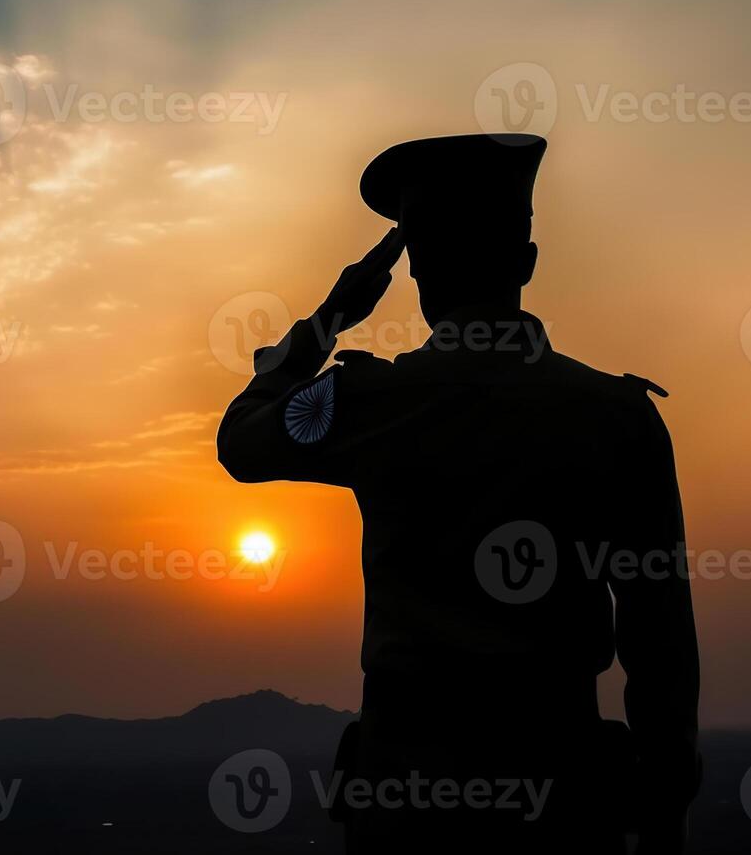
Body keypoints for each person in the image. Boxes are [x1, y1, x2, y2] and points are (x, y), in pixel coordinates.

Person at [216, 134, 700, 853]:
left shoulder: (370, 402)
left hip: (409, 798)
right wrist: (660, 813)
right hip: (559, 794)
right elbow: (657, 639)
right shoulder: (617, 415)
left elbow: (242, 443)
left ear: (414, 270)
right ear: (526, 262)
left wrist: (325, 321)